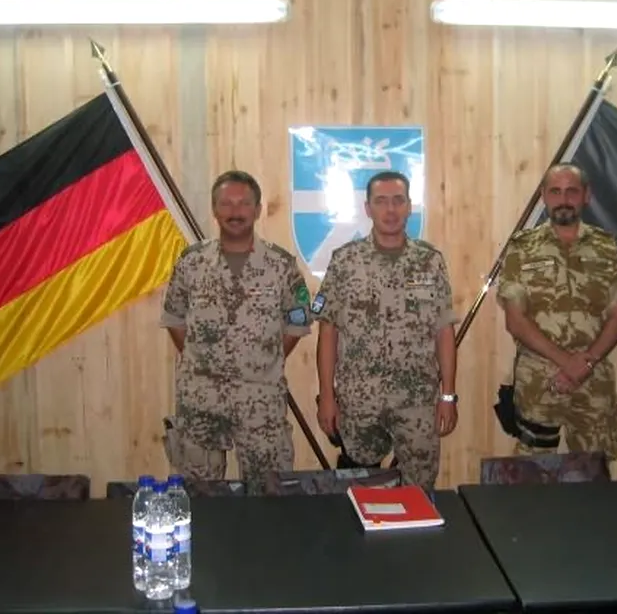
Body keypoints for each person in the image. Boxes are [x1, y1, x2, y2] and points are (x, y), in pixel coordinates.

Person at [159, 170, 314, 494]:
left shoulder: (281, 265)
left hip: (261, 399)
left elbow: (298, 321)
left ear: (257, 210)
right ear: (215, 210)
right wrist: (200, 361)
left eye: (244, 203)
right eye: (226, 204)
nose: (235, 211)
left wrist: (266, 359)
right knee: (199, 494)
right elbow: (174, 318)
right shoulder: (191, 262)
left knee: (268, 494)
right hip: (200, 400)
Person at [313, 170, 458, 490]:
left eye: (398, 200)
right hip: (359, 401)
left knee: (420, 489)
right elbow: (328, 332)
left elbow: (444, 331)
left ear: (409, 206)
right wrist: (327, 396)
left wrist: (448, 395)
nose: (390, 210)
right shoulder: (345, 261)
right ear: (368, 209)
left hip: (417, 401)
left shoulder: (430, 261)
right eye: (381, 201)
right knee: (362, 489)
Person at [496, 163, 617, 460]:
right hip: (539, 380)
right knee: (532, 470)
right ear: (544, 196)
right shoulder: (522, 247)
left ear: (586, 196)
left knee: (595, 470)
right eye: (555, 191)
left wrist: (587, 362)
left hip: (593, 377)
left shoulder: (606, 246)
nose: (564, 199)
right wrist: (568, 363)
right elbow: (515, 321)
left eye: (572, 191)